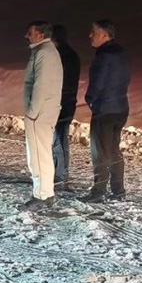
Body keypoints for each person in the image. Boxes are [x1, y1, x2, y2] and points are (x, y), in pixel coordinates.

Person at [82, 19, 131, 202]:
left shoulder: (104, 55)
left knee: (100, 152)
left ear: (104, 34)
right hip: (120, 107)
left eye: (93, 32)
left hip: (105, 109)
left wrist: (91, 99)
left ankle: (98, 192)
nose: (90, 36)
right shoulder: (121, 53)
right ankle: (118, 191)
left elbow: (98, 82)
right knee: (113, 150)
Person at [20, 21, 63, 211]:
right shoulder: (45, 51)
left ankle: (42, 195)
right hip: (44, 109)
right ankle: (45, 192)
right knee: (41, 153)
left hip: (40, 112)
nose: (26, 36)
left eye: (30, 32)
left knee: (38, 154)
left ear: (40, 34)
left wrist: (32, 112)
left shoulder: (44, 52)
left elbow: (41, 85)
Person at [51, 24, 81, 189]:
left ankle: (60, 175)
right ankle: (61, 174)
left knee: (57, 139)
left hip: (60, 103)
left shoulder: (60, 56)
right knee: (61, 139)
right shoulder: (71, 55)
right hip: (68, 102)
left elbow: (60, 82)